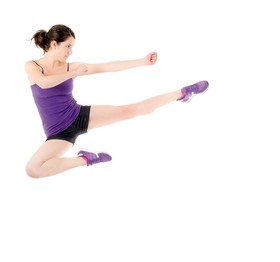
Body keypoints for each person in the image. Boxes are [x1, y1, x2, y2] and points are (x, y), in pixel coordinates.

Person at [24, 24, 209, 178]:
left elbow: (106, 66)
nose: (71, 52)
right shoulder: (33, 66)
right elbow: (44, 83)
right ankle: (87, 159)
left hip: (78, 115)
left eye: (72, 47)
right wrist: (73, 73)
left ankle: (182, 93)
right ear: (55, 44)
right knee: (33, 169)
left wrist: (141, 61)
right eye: (68, 46)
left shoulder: (71, 67)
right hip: (58, 133)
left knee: (130, 110)